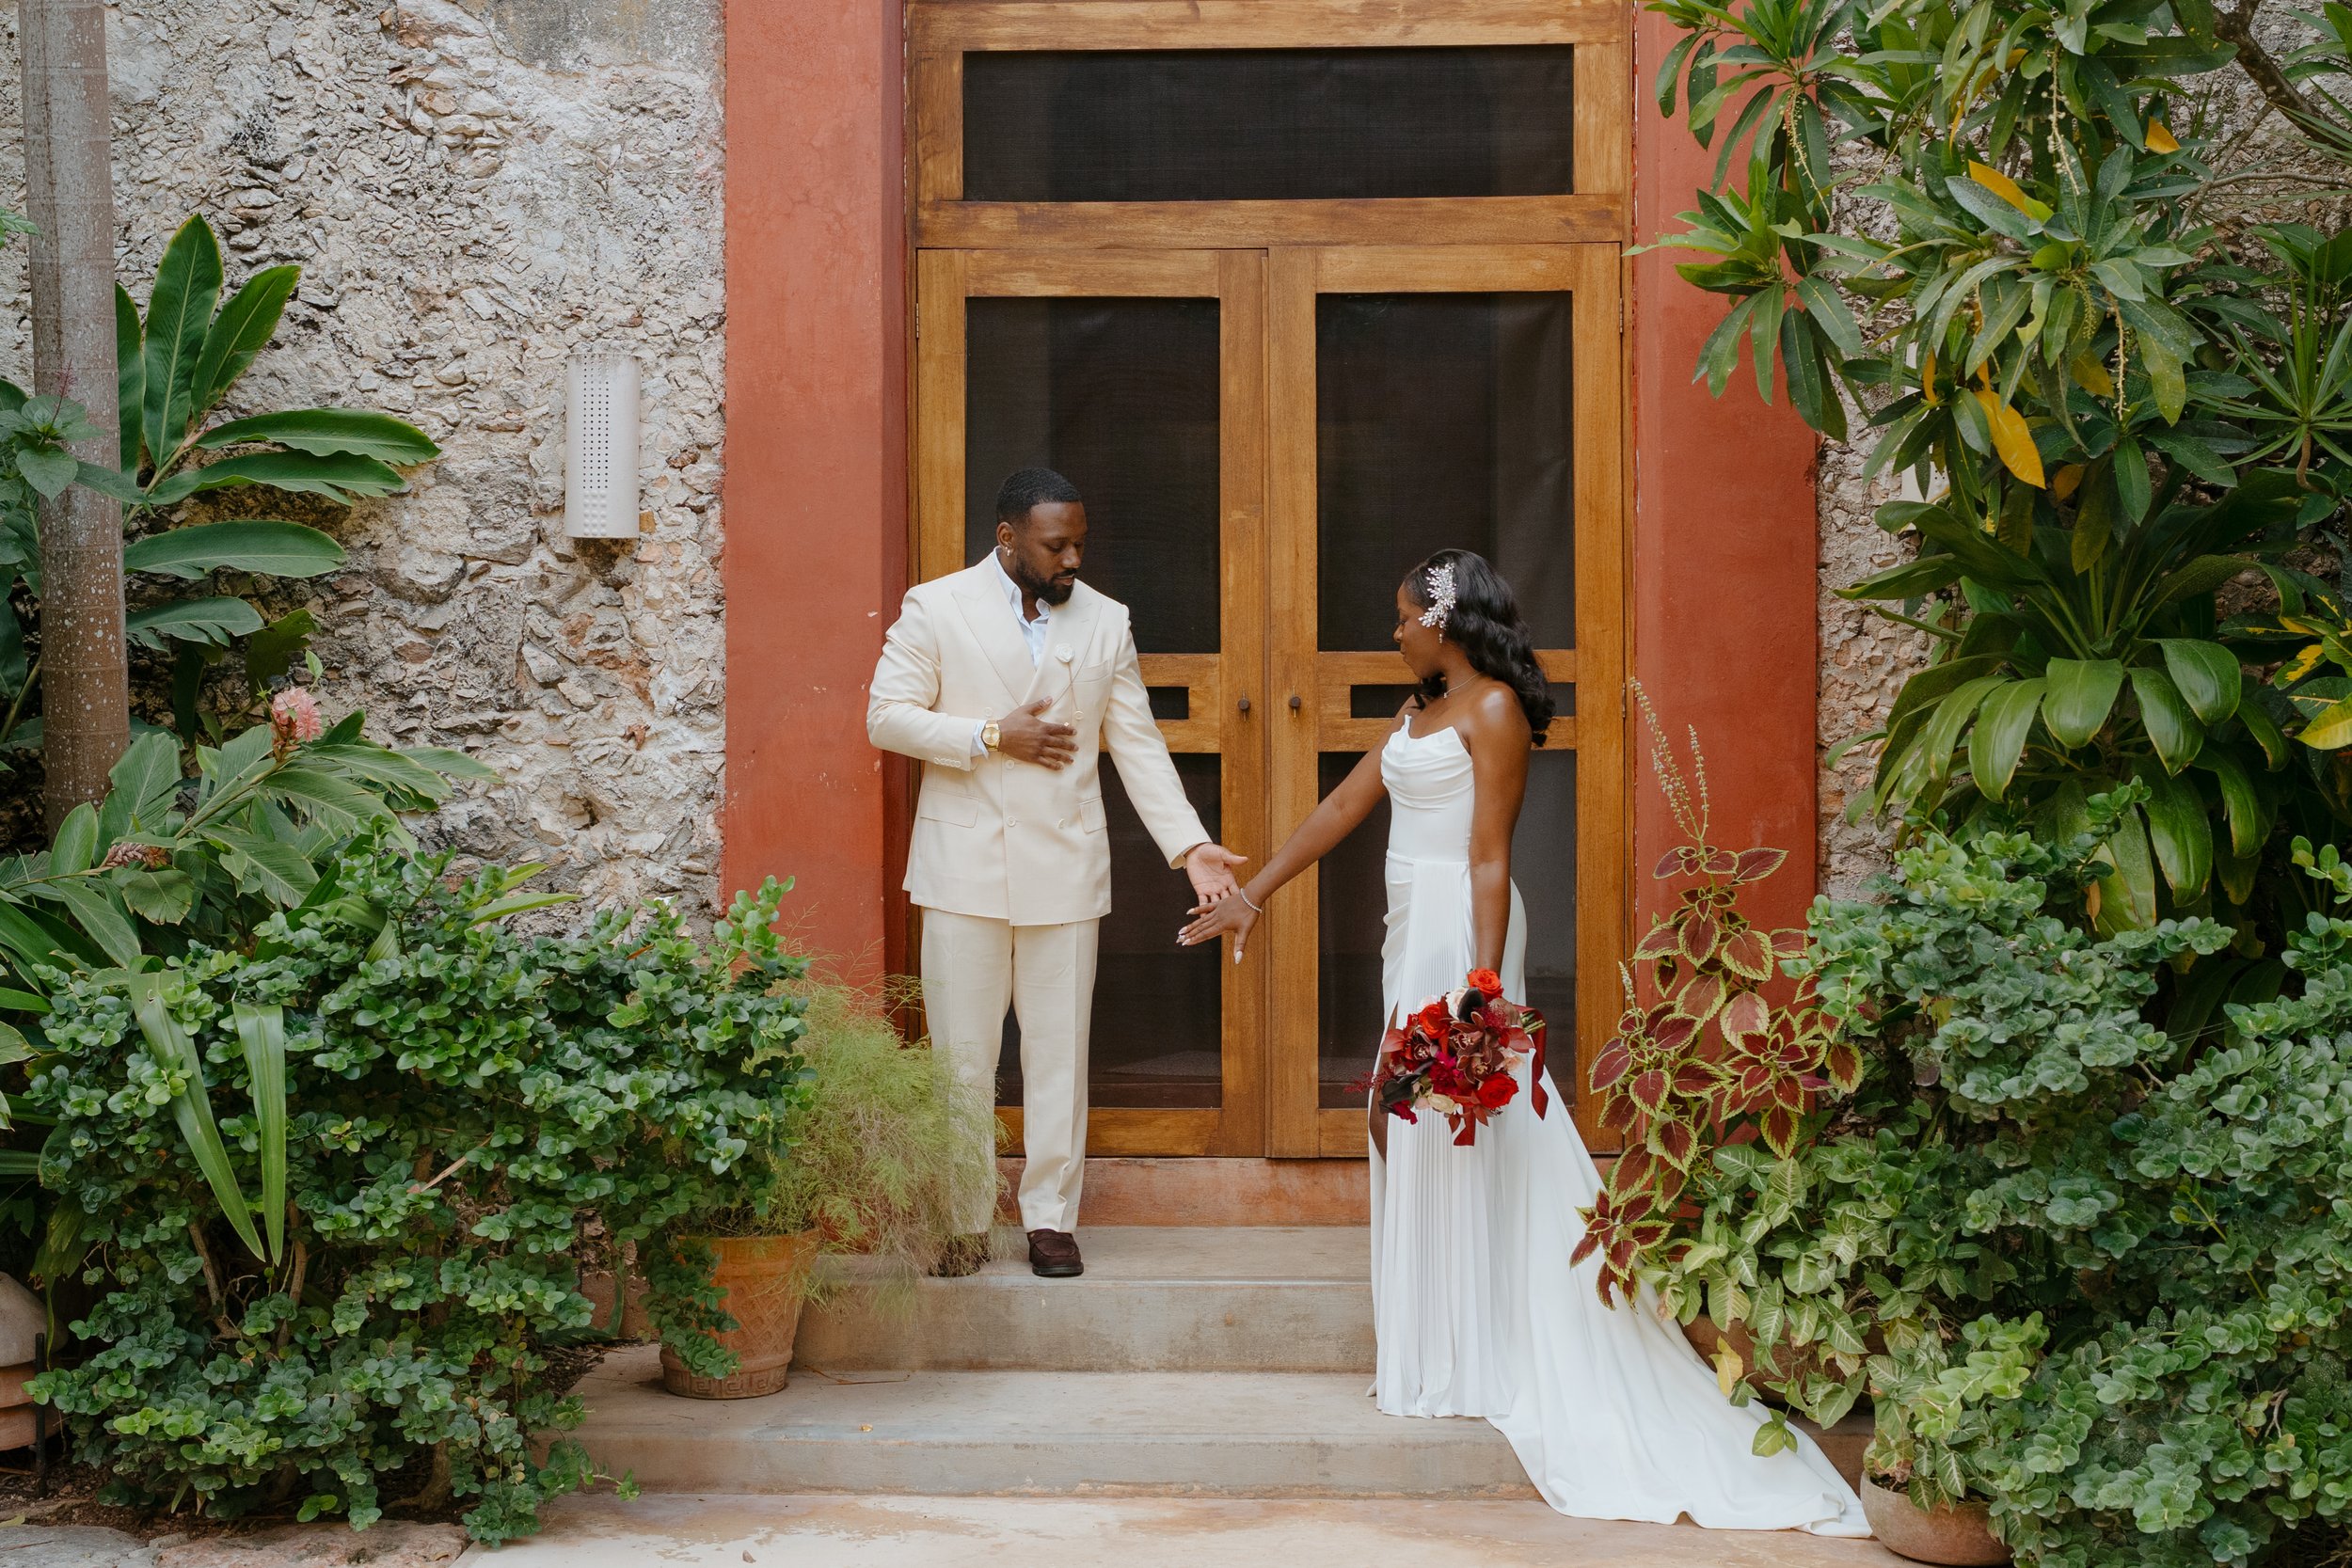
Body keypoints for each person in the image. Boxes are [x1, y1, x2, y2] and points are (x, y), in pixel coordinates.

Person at [1178, 549, 1867, 1533]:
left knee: (1460, 1118)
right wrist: (1253, 894)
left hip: (1461, 929)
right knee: (1408, 1123)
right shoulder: (1416, 712)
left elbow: (1489, 854)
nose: (1394, 631)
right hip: (1407, 930)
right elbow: (1343, 807)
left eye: (1403, 615)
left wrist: (1484, 994)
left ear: (1445, 621)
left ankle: (1484, 1352)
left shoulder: (1493, 709)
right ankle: (1438, 1354)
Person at [869, 467, 1246, 1280]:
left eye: (1080, 541)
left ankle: (1050, 1218)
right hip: (962, 866)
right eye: (1056, 544)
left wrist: (1191, 846)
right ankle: (962, 1213)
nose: (1073, 556)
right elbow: (886, 715)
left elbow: (1137, 744)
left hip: (1067, 867)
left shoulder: (1107, 621)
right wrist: (990, 735)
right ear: (1007, 537)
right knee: (962, 1058)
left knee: (1057, 1053)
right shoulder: (936, 606)